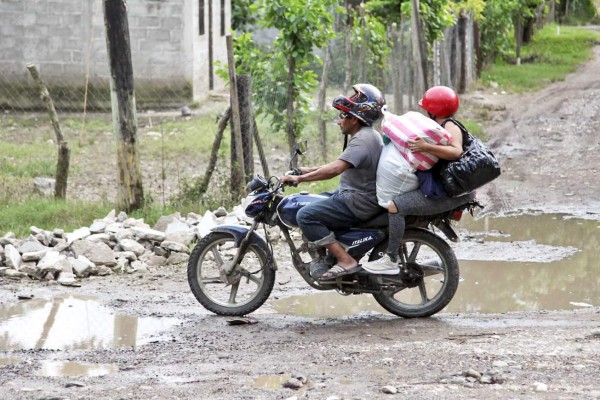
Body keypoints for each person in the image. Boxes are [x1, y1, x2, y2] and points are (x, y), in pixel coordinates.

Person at [362, 86, 476, 275]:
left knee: (395, 207)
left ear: (434, 110)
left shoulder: (450, 125)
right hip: (449, 189)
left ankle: (391, 259)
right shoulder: (436, 127)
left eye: (427, 108)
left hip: (454, 192)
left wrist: (425, 146)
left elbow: (456, 151)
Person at [279, 84, 385, 281]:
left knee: (306, 215)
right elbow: (340, 163)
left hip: (357, 201)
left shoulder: (362, 140)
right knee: (315, 201)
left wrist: (300, 179)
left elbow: (336, 169)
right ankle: (330, 255)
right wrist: (306, 170)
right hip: (355, 196)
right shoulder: (367, 136)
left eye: (343, 116)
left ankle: (345, 260)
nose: (339, 121)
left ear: (355, 119)